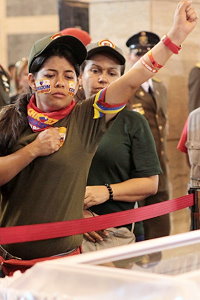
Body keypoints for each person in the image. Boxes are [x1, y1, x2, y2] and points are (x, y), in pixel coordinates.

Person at [0, 0, 197, 275]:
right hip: (8, 262)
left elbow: (131, 80)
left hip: (65, 263)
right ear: (32, 80)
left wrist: (175, 36)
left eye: (68, 75)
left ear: (77, 82)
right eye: (50, 75)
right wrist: (32, 151)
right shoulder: (7, 118)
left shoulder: (86, 118)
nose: (60, 82)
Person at [80, 40, 161, 251]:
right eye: (95, 70)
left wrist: (106, 191)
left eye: (112, 73)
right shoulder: (68, 118)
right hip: (65, 229)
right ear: (80, 77)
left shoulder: (133, 122)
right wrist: (75, 213)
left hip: (114, 233)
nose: (102, 79)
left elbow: (149, 183)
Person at [125, 31, 171, 241]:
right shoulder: (125, 90)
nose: (143, 60)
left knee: (160, 232)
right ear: (129, 57)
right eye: (137, 55)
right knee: (138, 235)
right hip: (136, 174)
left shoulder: (159, 88)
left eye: (149, 54)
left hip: (159, 169)